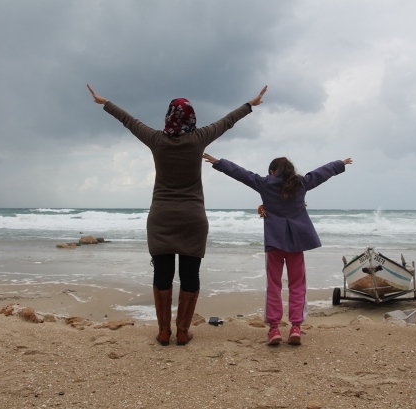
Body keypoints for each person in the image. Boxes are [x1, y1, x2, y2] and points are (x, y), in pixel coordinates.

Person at [87, 84, 268, 346]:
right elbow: (227, 121)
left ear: (169, 116)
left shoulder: (157, 140)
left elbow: (129, 121)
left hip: (161, 217)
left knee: (162, 273)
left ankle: (164, 331)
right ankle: (182, 331)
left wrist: (105, 103)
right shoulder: (199, 138)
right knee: (190, 274)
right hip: (192, 218)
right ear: (192, 117)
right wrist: (250, 105)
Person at [203, 153, 353, 345]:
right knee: (297, 284)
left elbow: (241, 174)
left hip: (274, 242)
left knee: (274, 285)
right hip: (296, 243)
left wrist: (219, 163)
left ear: (272, 172)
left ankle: (274, 329)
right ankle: (296, 327)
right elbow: (320, 173)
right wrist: (338, 164)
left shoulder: (265, 183)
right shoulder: (301, 183)